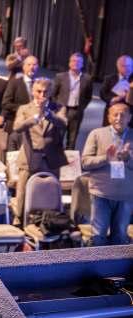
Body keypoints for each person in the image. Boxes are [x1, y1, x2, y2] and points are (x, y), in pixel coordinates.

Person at [12, 77, 68, 225]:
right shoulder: (24, 109)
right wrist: (35, 118)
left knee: (49, 193)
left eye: (45, 92)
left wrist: (48, 114)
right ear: (33, 91)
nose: (42, 95)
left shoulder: (58, 108)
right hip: (29, 157)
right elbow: (17, 127)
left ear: (50, 92)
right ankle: (19, 220)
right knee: (23, 192)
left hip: (51, 158)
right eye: (38, 91)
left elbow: (63, 123)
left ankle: (49, 222)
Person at [81, 103, 133, 245]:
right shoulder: (96, 134)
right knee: (98, 237)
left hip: (126, 196)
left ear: (129, 117)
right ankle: (97, 261)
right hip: (101, 193)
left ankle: (117, 261)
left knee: (120, 237)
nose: (119, 118)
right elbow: (85, 163)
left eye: (123, 115)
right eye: (115, 114)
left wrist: (128, 159)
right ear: (108, 117)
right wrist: (106, 158)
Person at [51, 52, 93, 150]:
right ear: (69, 63)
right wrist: (58, 108)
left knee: (72, 139)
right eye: (73, 61)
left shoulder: (87, 79)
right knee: (58, 137)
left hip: (76, 111)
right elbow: (53, 94)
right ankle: (56, 157)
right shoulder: (60, 76)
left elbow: (88, 96)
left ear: (82, 64)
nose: (75, 63)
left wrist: (81, 107)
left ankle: (69, 158)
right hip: (62, 111)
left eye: (78, 62)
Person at [2, 55, 39, 133]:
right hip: (16, 124)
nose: (32, 67)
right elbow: (6, 103)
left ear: (38, 67)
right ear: (23, 67)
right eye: (29, 65)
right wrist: (25, 109)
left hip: (35, 127)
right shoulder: (14, 83)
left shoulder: (40, 84)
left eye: (34, 65)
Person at [99, 55, 132, 126]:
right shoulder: (109, 78)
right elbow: (103, 93)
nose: (129, 68)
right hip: (112, 112)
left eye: (130, 66)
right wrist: (113, 99)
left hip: (129, 114)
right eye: (125, 66)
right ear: (118, 67)